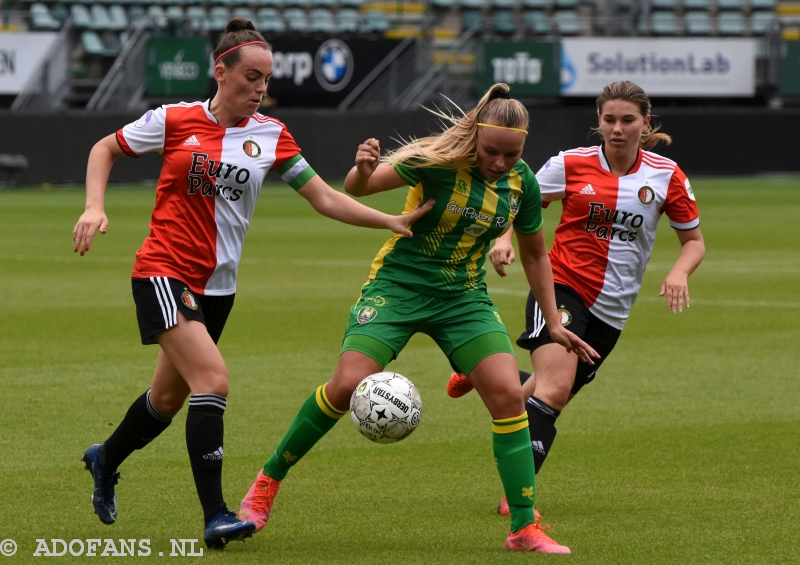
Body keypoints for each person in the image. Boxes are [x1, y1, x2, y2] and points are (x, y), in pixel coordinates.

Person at [72, 18, 434, 550]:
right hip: (163, 271)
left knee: (166, 401)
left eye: (266, 80)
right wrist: (94, 206)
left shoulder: (272, 134)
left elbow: (325, 197)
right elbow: (104, 148)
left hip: (219, 290)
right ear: (221, 72)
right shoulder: (172, 120)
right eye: (251, 78)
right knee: (212, 382)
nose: (261, 89)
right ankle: (216, 515)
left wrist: (387, 220)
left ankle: (105, 458)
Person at [237, 84, 600, 554]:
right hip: (400, 286)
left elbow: (535, 255)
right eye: (491, 152)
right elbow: (359, 188)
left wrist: (552, 323)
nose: (500, 163)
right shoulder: (436, 160)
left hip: (463, 297)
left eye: (512, 155)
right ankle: (267, 482)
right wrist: (363, 168)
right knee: (347, 386)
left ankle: (523, 529)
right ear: (474, 137)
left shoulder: (523, 183)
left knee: (510, 396)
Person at [446, 80, 706, 518]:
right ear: (598, 121)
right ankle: (518, 495)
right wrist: (505, 238)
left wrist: (679, 270)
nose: (618, 129)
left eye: (628, 120)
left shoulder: (666, 175)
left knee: (545, 391)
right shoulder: (569, 164)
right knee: (555, 388)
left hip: (613, 312)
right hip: (561, 287)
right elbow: (517, 200)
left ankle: (484, 374)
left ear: (645, 122)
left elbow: (693, 241)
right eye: (609, 120)